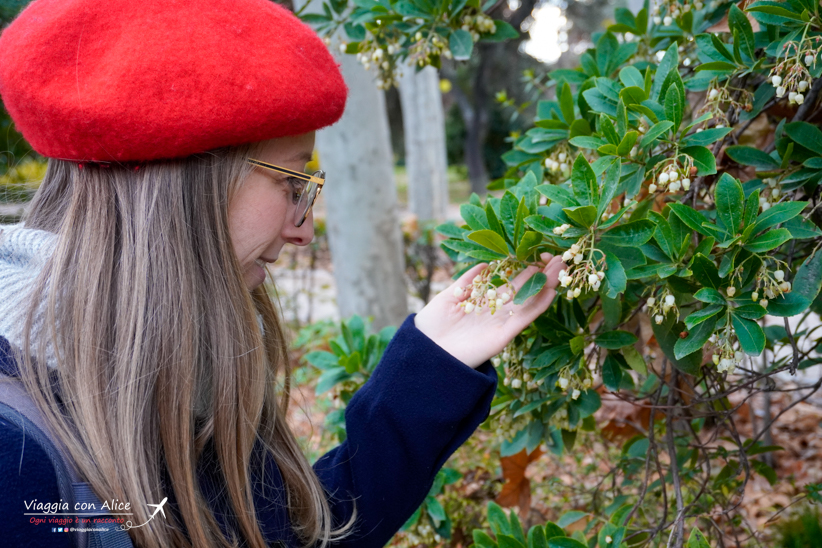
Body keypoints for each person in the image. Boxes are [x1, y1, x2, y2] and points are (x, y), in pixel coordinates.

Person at [0, 0, 565, 547]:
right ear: (191, 183)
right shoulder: (15, 457)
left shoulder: (168, 356)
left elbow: (284, 536)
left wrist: (430, 365)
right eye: (291, 181)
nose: (303, 231)